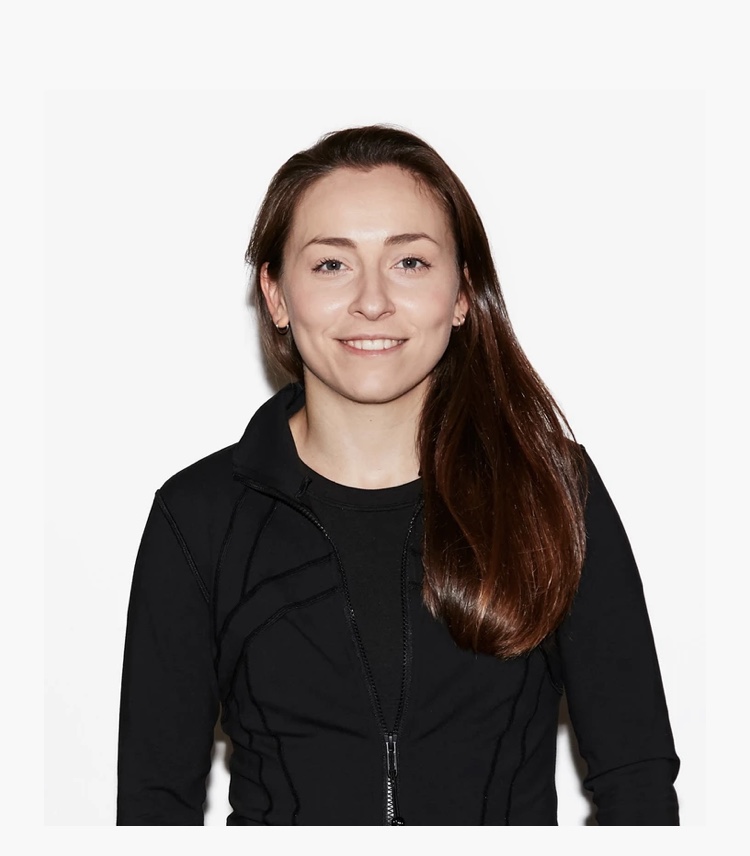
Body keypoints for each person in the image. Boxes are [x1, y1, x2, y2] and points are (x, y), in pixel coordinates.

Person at [116, 124, 680, 826]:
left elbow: (637, 783)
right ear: (276, 295)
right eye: (331, 265)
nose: (373, 301)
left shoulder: (551, 488)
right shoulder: (198, 517)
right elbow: (154, 808)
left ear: (463, 292)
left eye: (410, 262)